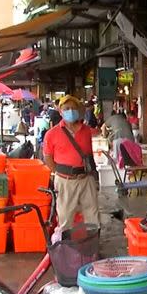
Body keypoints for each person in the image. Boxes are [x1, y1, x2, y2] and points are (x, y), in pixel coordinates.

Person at [42, 95, 100, 231]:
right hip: (65, 180)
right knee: (65, 217)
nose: (70, 111)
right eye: (67, 108)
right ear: (60, 111)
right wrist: (58, 173)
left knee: (93, 215)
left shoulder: (86, 131)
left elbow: (89, 154)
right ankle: (65, 248)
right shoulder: (52, 134)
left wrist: (93, 176)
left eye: (73, 108)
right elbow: (48, 157)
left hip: (86, 179)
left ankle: (92, 247)